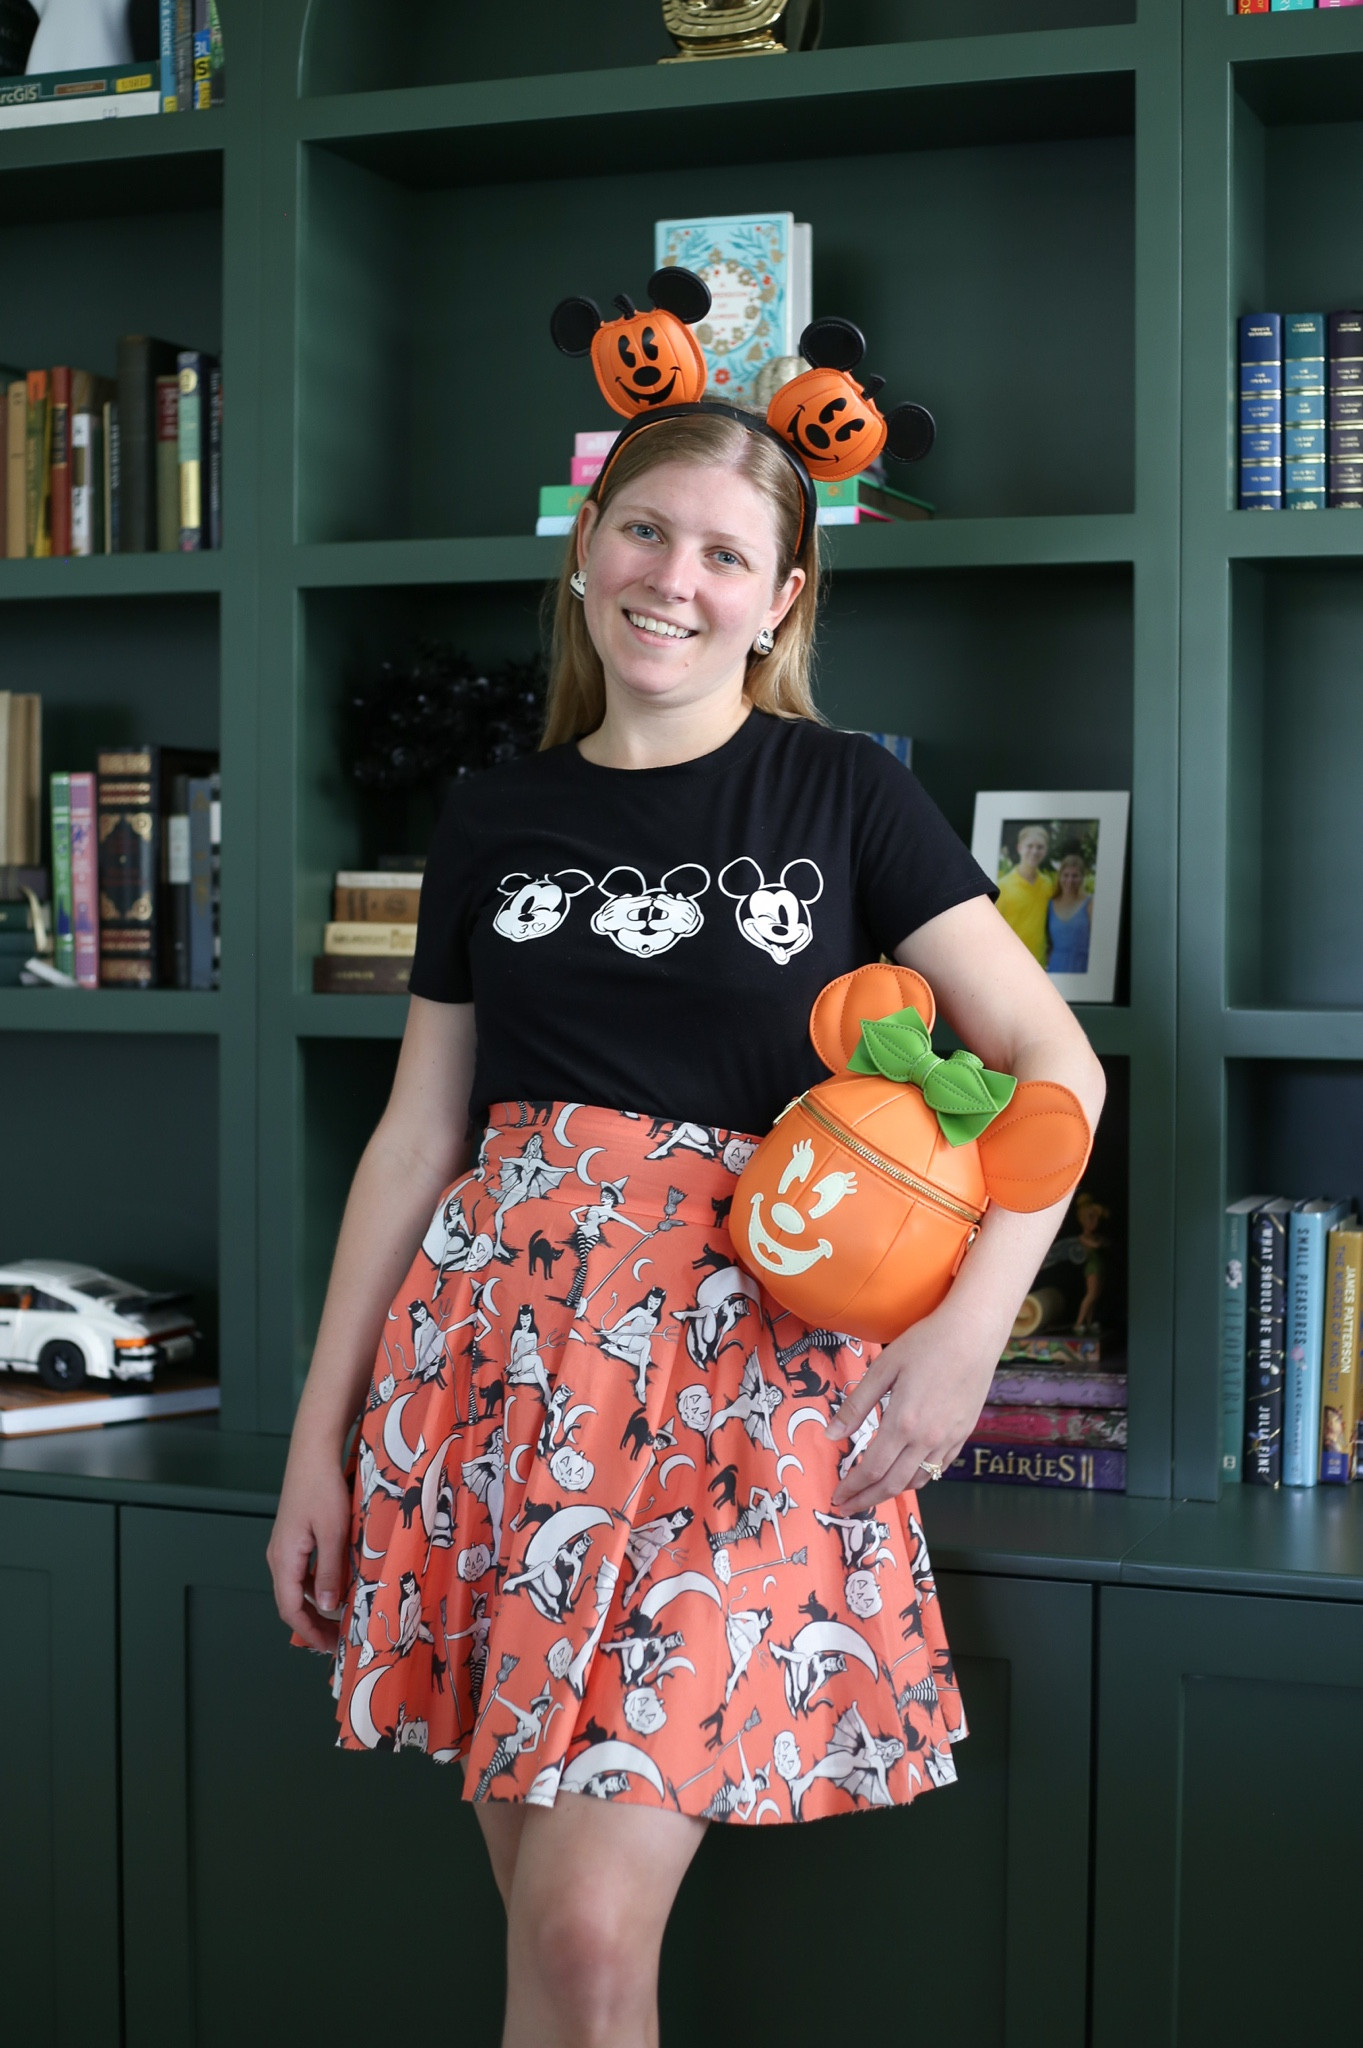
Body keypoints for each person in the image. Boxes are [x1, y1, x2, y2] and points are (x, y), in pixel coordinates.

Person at [268, 307, 1105, 2046]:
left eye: (728, 552)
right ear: (587, 549)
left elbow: (1061, 1067)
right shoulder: (494, 811)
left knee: (578, 1933)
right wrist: (317, 1442)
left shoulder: (846, 797)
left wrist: (967, 1338)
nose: (675, 575)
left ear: (783, 599)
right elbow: (419, 1132)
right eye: (645, 530)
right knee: (557, 1946)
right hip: (485, 1383)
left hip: (733, 1400)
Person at [995, 821, 1055, 966]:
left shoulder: (1048, 884)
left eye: (1040, 847)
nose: (1034, 851)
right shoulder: (1003, 886)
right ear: (1019, 848)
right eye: (1030, 846)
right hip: (1009, 963)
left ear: (1046, 851)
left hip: (1039, 965)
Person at [1045, 847, 1094, 976]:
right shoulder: (1050, 904)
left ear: (1083, 877)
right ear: (1060, 876)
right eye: (1066, 875)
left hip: (1083, 970)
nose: (1070, 880)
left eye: (1075, 876)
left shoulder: (1090, 903)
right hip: (1055, 968)